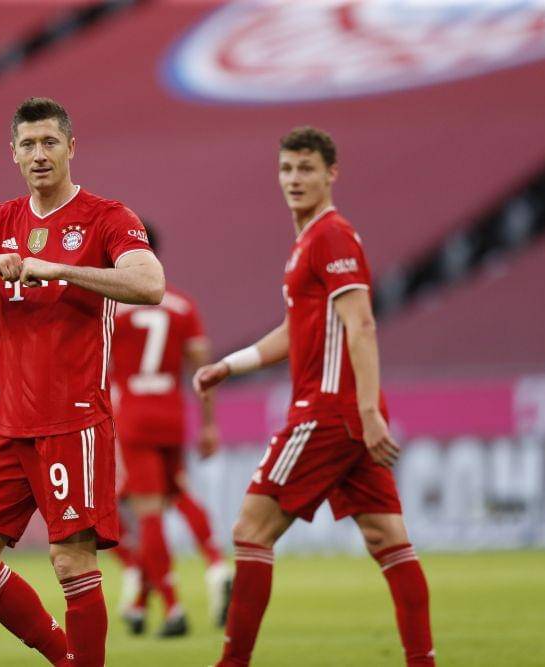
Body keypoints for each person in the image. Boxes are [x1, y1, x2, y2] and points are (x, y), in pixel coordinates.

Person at [0, 97, 164, 666]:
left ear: (71, 147)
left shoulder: (107, 217)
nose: (39, 154)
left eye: (50, 142)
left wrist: (62, 270)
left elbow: (150, 285)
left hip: (73, 421)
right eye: (28, 144)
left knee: (72, 562)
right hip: (7, 426)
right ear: (13, 154)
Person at [194, 127, 434, 666]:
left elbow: (362, 323)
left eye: (306, 169)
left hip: (327, 412)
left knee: (250, 530)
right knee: (387, 539)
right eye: (287, 169)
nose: (294, 179)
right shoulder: (308, 242)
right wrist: (231, 365)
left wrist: (368, 411)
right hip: (347, 416)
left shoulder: (331, 236)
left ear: (331, 174)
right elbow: (294, 331)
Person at [109, 222, 230, 637]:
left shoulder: (113, 309)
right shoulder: (183, 305)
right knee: (176, 491)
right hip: (172, 414)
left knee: (146, 514)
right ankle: (214, 565)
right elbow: (204, 371)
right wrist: (209, 425)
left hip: (133, 416)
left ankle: (173, 607)